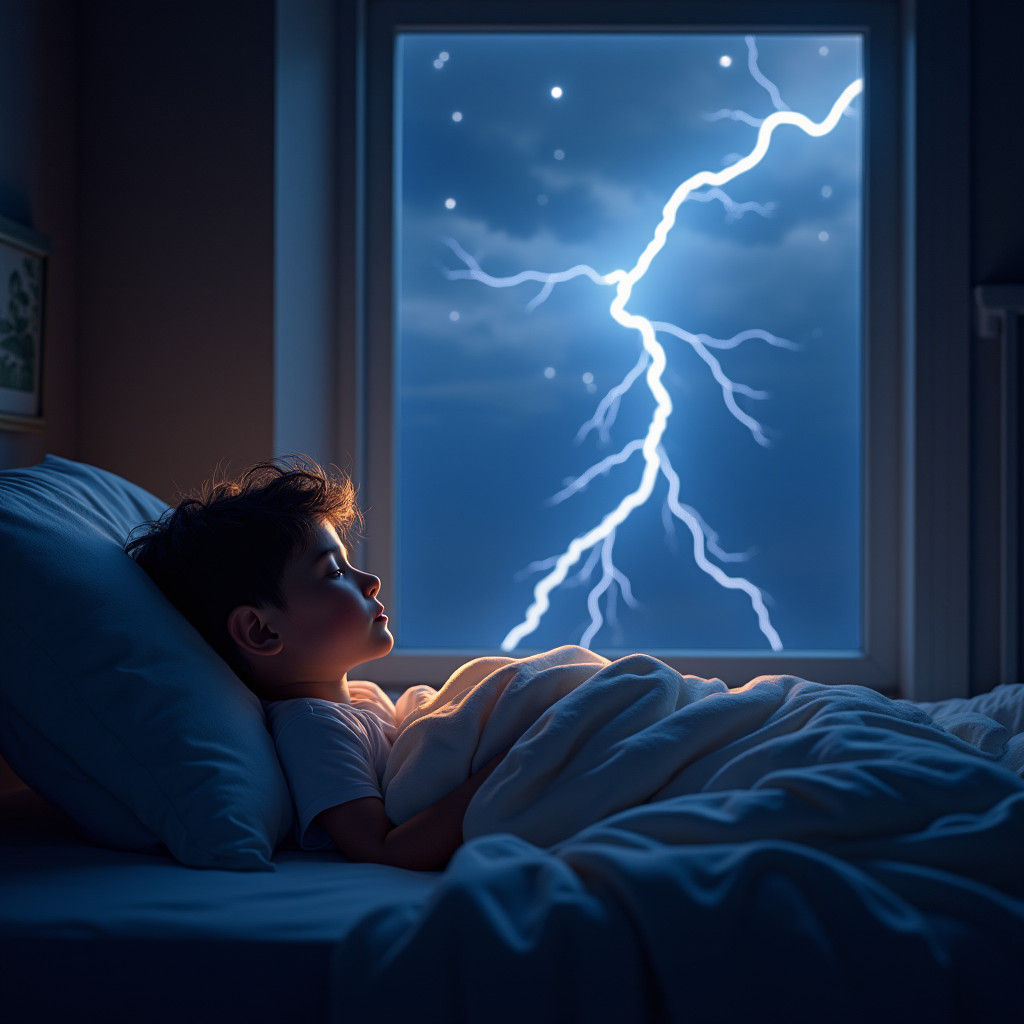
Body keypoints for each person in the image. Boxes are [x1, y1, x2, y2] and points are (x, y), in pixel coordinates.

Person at [124, 454, 504, 871]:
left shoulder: (360, 700)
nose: (370, 580)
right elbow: (381, 846)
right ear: (261, 632)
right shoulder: (313, 728)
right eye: (334, 572)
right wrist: (506, 770)